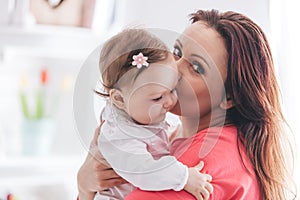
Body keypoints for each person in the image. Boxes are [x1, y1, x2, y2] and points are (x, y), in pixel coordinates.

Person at [77, 9, 296, 200]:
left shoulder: (202, 161)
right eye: (177, 52)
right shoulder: (167, 137)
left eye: (197, 68)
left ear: (228, 98)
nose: (173, 68)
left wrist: (84, 191)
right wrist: (85, 185)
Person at [92, 28, 213, 200]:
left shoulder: (139, 114)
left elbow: (153, 138)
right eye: (157, 98)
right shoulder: (119, 136)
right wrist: (184, 177)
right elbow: (144, 169)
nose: (170, 101)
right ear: (119, 99)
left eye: (172, 89)